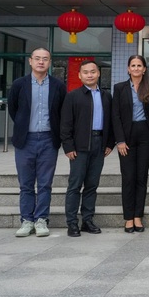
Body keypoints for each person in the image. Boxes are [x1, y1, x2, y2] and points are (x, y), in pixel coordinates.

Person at [7, 47, 66, 237]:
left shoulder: (58, 85)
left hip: (48, 139)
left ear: (50, 62)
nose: (41, 62)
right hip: (25, 140)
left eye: (45, 59)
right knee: (25, 184)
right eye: (38, 58)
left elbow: (61, 112)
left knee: (45, 183)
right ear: (30, 61)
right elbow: (13, 109)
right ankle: (26, 220)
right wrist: (23, 126)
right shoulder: (19, 84)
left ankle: (41, 219)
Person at [60, 60, 114, 237]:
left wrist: (109, 143)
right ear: (80, 75)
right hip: (79, 146)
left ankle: (87, 220)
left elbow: (111, 122)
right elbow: (65, 123)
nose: (89, 75)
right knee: (75, 185)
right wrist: (68, 146)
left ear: (98, 73)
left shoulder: (106, 96)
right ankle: (72, 223)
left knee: (92, 185)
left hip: (99, 144)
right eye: (86, 72)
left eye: (93, 71)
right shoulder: (73, 96)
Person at [112, 55, 149, 233]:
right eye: (133, 65)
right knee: (128, 177)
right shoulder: (120, 88)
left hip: (146, 134)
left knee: (141, 177)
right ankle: (128, 218)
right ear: (128, 68)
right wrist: (120, 140)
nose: (136, 68)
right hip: (127, 136)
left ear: (144, 69)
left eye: (139, 65)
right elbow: (115, 115)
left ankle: (138, 216)